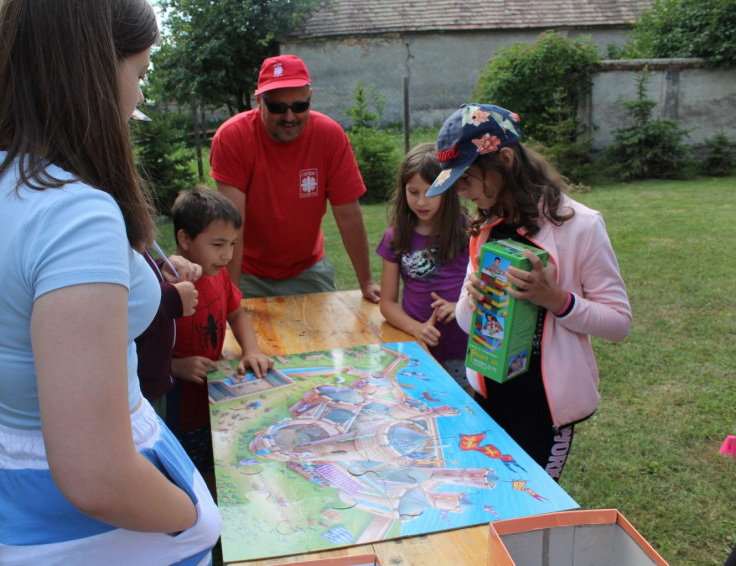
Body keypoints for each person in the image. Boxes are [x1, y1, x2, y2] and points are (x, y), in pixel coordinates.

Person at [0, 1, 221, 563]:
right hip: (98, 528)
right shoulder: (74, 215)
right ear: (94, 71)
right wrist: (194, 519)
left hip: (11, 492)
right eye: (139, 72)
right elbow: (98, 478)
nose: (138, 96)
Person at [427, 103, 632, 481]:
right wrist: (473, 299)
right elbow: (467, 323)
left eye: (467, 178)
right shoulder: (486, 226)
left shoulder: (581, 227)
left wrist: (556, 300)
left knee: (535, 502)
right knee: (489, 492)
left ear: (505, 160)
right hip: (489, 397)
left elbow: (619, 324)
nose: (463, 192)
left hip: (546, 412)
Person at [210, 54, 381, 303]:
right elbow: (233, 225)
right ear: (258, 101)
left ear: (311, 98)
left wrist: (366, 281)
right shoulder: (232, 138)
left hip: (307, 268)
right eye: (278, 108)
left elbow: (348, 214)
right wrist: (232, 297)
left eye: (300, 106)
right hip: (247, 272)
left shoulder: (329, 136)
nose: (289, 117)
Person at [167, 186, 273, 481]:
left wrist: (251, 350)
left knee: (221, 468)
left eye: (232, 244)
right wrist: (175, 366)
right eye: (218, 244)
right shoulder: (167, 288)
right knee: (187, 477)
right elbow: (136, 347)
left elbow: (237, 313)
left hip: (216, 401)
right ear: (185, 239)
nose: (227, 255)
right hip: (178, 407)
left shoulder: (219, 274)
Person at [375, 143, 471, 392]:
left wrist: (460, 307)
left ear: (448, 190)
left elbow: (486, 288)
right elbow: (387, 303)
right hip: (416, 348)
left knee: (466, 409)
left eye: (431, 192)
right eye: (413, 192)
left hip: (462, 349)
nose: (421, 201)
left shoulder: (469, 232)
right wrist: (416, 329)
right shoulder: (395, 238)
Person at [135, 244, 201, 420]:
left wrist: (160, 269)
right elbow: (113, 311)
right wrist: (168, 299)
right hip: (136, 394)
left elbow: (134, 276)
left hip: (152, 384)